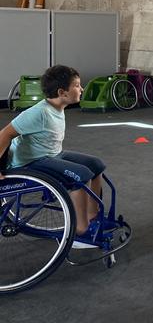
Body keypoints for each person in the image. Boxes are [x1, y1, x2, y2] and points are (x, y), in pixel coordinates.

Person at [0, 65, 106, 247]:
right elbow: (4, 134)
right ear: (62, 92)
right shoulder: (38, 113)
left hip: (52, 154)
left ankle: (92, 215)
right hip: (30, 162)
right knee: (81, 175)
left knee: (96, 165)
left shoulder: (58, 106)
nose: (81, 89)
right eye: (77, 85)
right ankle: (80, 230)